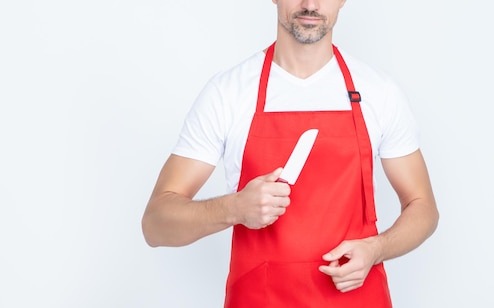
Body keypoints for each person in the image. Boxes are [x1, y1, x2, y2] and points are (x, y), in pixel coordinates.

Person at [142, 0, 439, 306]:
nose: (310, 5)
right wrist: (234, 208)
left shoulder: (378, 92)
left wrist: (377, 249)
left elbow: (423, 207)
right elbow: (155, 224)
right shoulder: (229, 93)